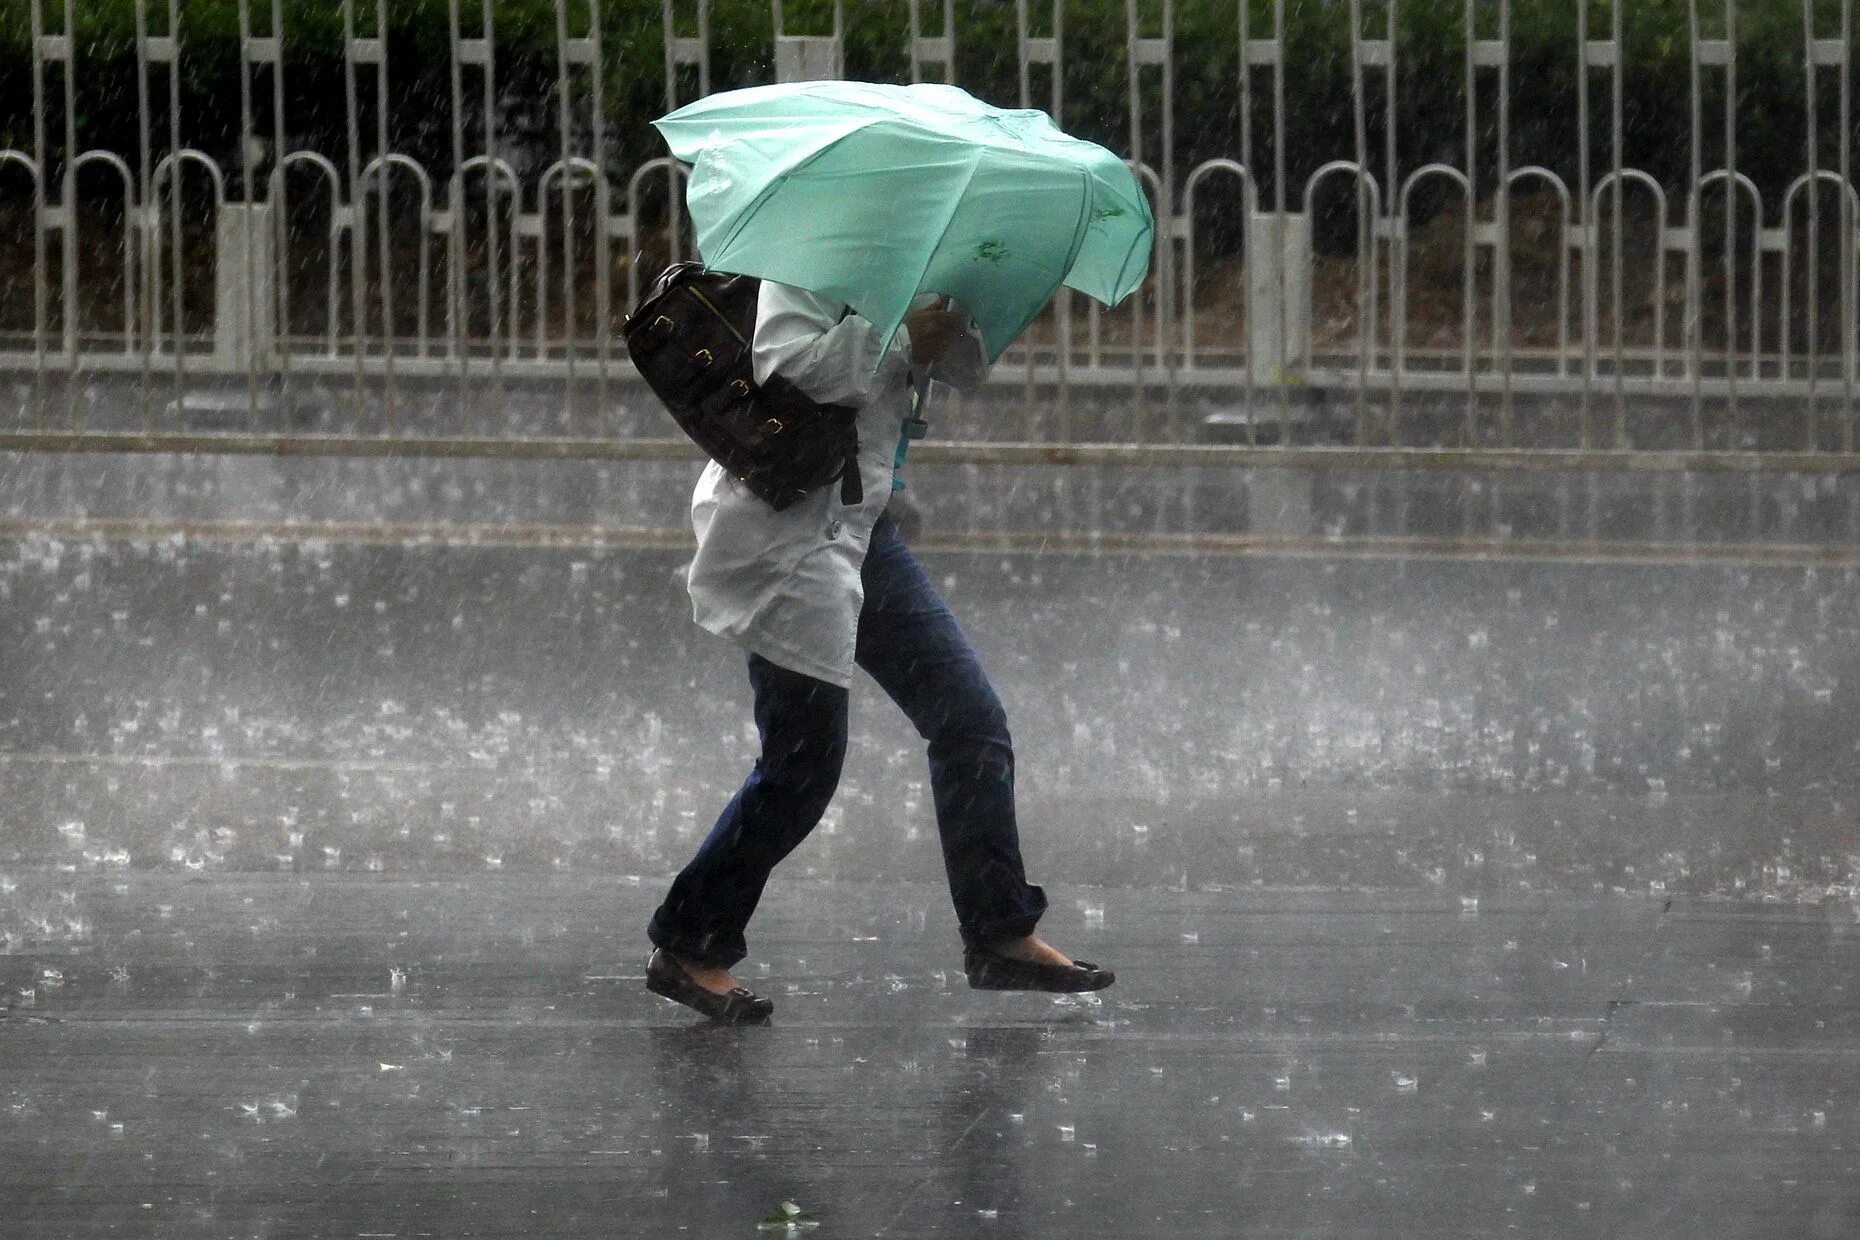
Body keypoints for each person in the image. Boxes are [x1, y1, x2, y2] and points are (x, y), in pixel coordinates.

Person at [645, 280, 1114, 1022]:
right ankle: (689, 942)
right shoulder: (809, 252)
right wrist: (897, 340)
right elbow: (782, 364)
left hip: (864, 530)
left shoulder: (918, 251)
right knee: (801, 766)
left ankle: (999, 932)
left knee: (968, 721)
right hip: (791, 530)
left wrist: (952, 322)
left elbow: (961, 370)